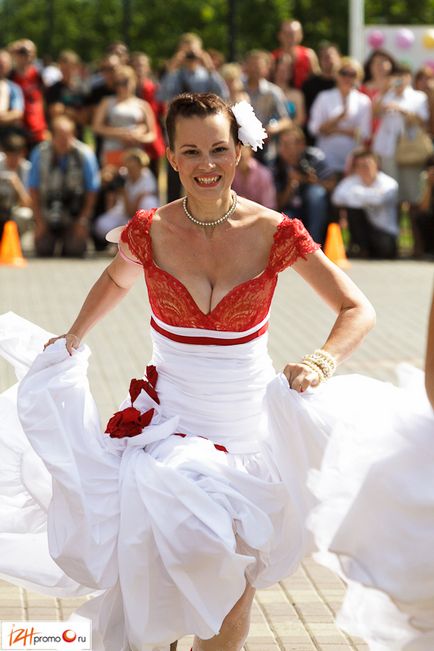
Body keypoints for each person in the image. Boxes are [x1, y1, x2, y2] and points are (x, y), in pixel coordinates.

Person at [0, 93, 433, 651]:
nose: (208, 164)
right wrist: (75, 335)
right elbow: (114, 280)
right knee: (175, 570)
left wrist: (321, 362)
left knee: (229, 607)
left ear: (240, 154)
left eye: (219, 149)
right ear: (172, 159)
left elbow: (357, 309)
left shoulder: (277, 232)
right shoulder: (149, 230)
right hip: (170, 433)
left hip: (250, 441)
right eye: (191, 151)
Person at [29, 115, 100, 258]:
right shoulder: (39, 153)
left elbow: (92, 191)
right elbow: (33, 189)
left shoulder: (85, 154)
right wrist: (39, 222)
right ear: (51, 136)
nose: (65, 141)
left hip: (74, 214)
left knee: (75, 249)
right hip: (48, 213)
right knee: (43, 249)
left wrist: (82, 221)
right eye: (60, 137)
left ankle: (71, 238)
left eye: (68, 136)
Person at [309, 57, 372, 176]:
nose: (347, 78)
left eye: (352, 74)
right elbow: (314, 129)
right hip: (326, 159)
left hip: (352, 162)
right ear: (336, 75)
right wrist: (338, 118)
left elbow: (364, 133)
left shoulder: (364, 101)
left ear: (358, 77)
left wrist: (334, 130)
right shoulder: (323, 97)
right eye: (344, 73)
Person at [332, 148, 399, 258]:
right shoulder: (352, 181)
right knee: (353, 211)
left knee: (385, 249)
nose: (364, 169)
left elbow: (379, 200)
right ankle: (360, 248)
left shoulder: (389, 183)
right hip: (364, 229)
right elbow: (336, 198)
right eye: (360, 165)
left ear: (376, 164)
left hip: (384, 232)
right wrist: (367, 196)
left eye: (367, 164)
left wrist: (356, 194)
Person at [274, 125, 335, 243]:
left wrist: (310, 181)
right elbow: (277, 203)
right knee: (284, 217)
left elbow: (331, 185)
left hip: (314, 206)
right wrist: (290, 185)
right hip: (291, 208)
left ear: (301, 145)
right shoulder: (276, 164)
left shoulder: (314, 157)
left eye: (287, 144)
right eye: (281, 144)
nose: (283, 149)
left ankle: (313, 246)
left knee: (316, 193)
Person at [92, 65, 157, 167]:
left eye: (125, 82)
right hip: (112, 151)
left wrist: (137, 138)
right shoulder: (107, 102)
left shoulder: (143, 105)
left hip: (135, 153)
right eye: (118, 83)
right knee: (114, 181)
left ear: (133, 81)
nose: (121, 87)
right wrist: (121, 134)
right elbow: (97, 127)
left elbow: (152, 135)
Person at [93, 148, 159, 240]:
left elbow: (131, 211)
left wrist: (124, 192)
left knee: (149, 201)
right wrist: (108, 176)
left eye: (133, 162)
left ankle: (142, 235)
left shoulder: (147, 178)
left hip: (137, 216)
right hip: (122, 214)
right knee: (101, 225)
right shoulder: (124, 174)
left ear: (141, 165)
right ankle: (123, 240)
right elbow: (105, 176)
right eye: (128, 162)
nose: (130, 166)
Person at [8, 39, 48, 149]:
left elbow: (46, 100)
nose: (27, 55)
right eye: (23, 52)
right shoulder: (10, 76)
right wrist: (12, 49)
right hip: (17, 131)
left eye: (30, 52)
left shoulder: (39, 75)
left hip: (38, 130)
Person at [0, 132, 32, 239]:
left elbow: (28, 203)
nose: (13, 160)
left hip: (14, 210)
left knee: (25, 214)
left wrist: (17, 184)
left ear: (23, 153)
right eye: (10, 155)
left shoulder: (27, 169)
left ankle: (15, 240)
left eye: (16, 155)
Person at [272, 20, 319, 89]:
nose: (289, 37)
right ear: (279, 35)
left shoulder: (308, 55)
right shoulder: (272, 57)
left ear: (300, 35)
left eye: (292, 33)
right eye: (286, 33)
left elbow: (317, 79)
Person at [301, 42, 341, 124]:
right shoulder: (309, 84)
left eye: (330, 56)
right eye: (324, 57)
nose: (328, 60)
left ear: (339, 57)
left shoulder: (345, 83)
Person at [231, 144, 277, 209]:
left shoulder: (263, 174)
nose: (238, 155)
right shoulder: (230, 171)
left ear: (251, 151)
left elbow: (269, 206)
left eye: (242, 151)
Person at [0, 49, 24, 146]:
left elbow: (17, 114)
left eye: (4, 65)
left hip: (6, 138)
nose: (1, 67)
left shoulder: (14, 88)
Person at [413, 153, 434, 257]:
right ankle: (428, 250)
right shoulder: (425, 178)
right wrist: (430, 185)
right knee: (420, 217)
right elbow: (423, 208)